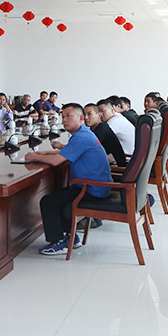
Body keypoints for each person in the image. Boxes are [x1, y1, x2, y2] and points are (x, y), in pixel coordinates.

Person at [27, 104, 112, 256]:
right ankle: (71, 237)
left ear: (80, 118)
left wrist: (33, 156)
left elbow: (55, 161)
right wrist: (44, 153)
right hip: (95, 186)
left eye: (68, 116)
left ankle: (59, 242)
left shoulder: (81, 137)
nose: (64, 120)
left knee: (48, 202)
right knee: (61, 196)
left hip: (92, 189)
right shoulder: (83, 133)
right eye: (63, 116)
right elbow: (63, 151)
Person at [83, 103, 127, 170]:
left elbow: (85, 147)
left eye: (89, 114)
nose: (85, 117)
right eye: (84, 115)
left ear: (99, 115)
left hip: (115, 169)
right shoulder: (93, 129)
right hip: (105, 165)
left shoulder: (102, 129)